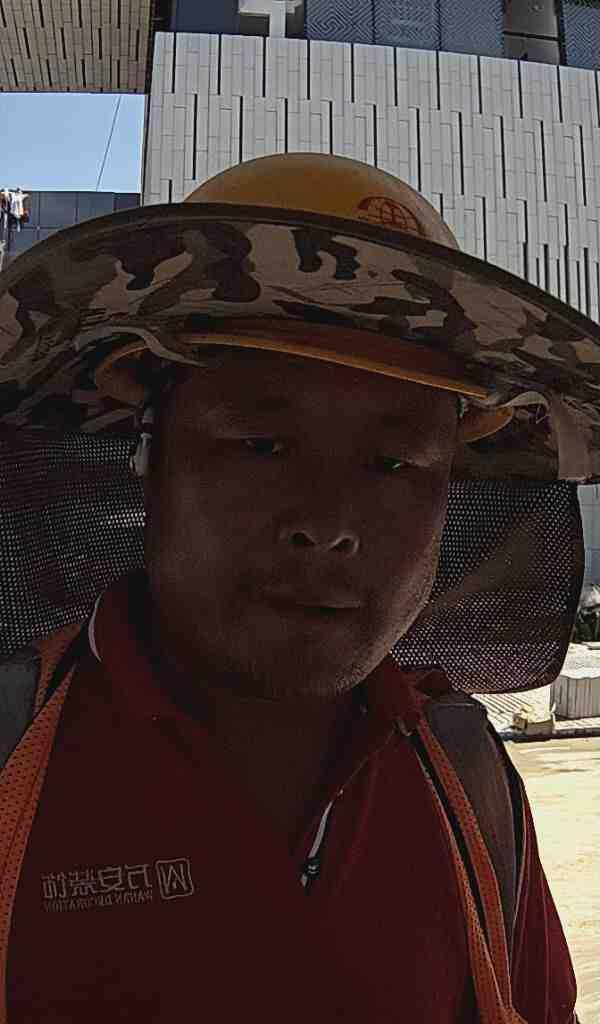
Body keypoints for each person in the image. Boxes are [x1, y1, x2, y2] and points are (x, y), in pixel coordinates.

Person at [0, 153, 591, 1023]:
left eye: (395, 462)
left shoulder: (470, 781)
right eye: (261, 445)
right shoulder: (14, 752)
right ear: (151, 457)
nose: (329, 521)